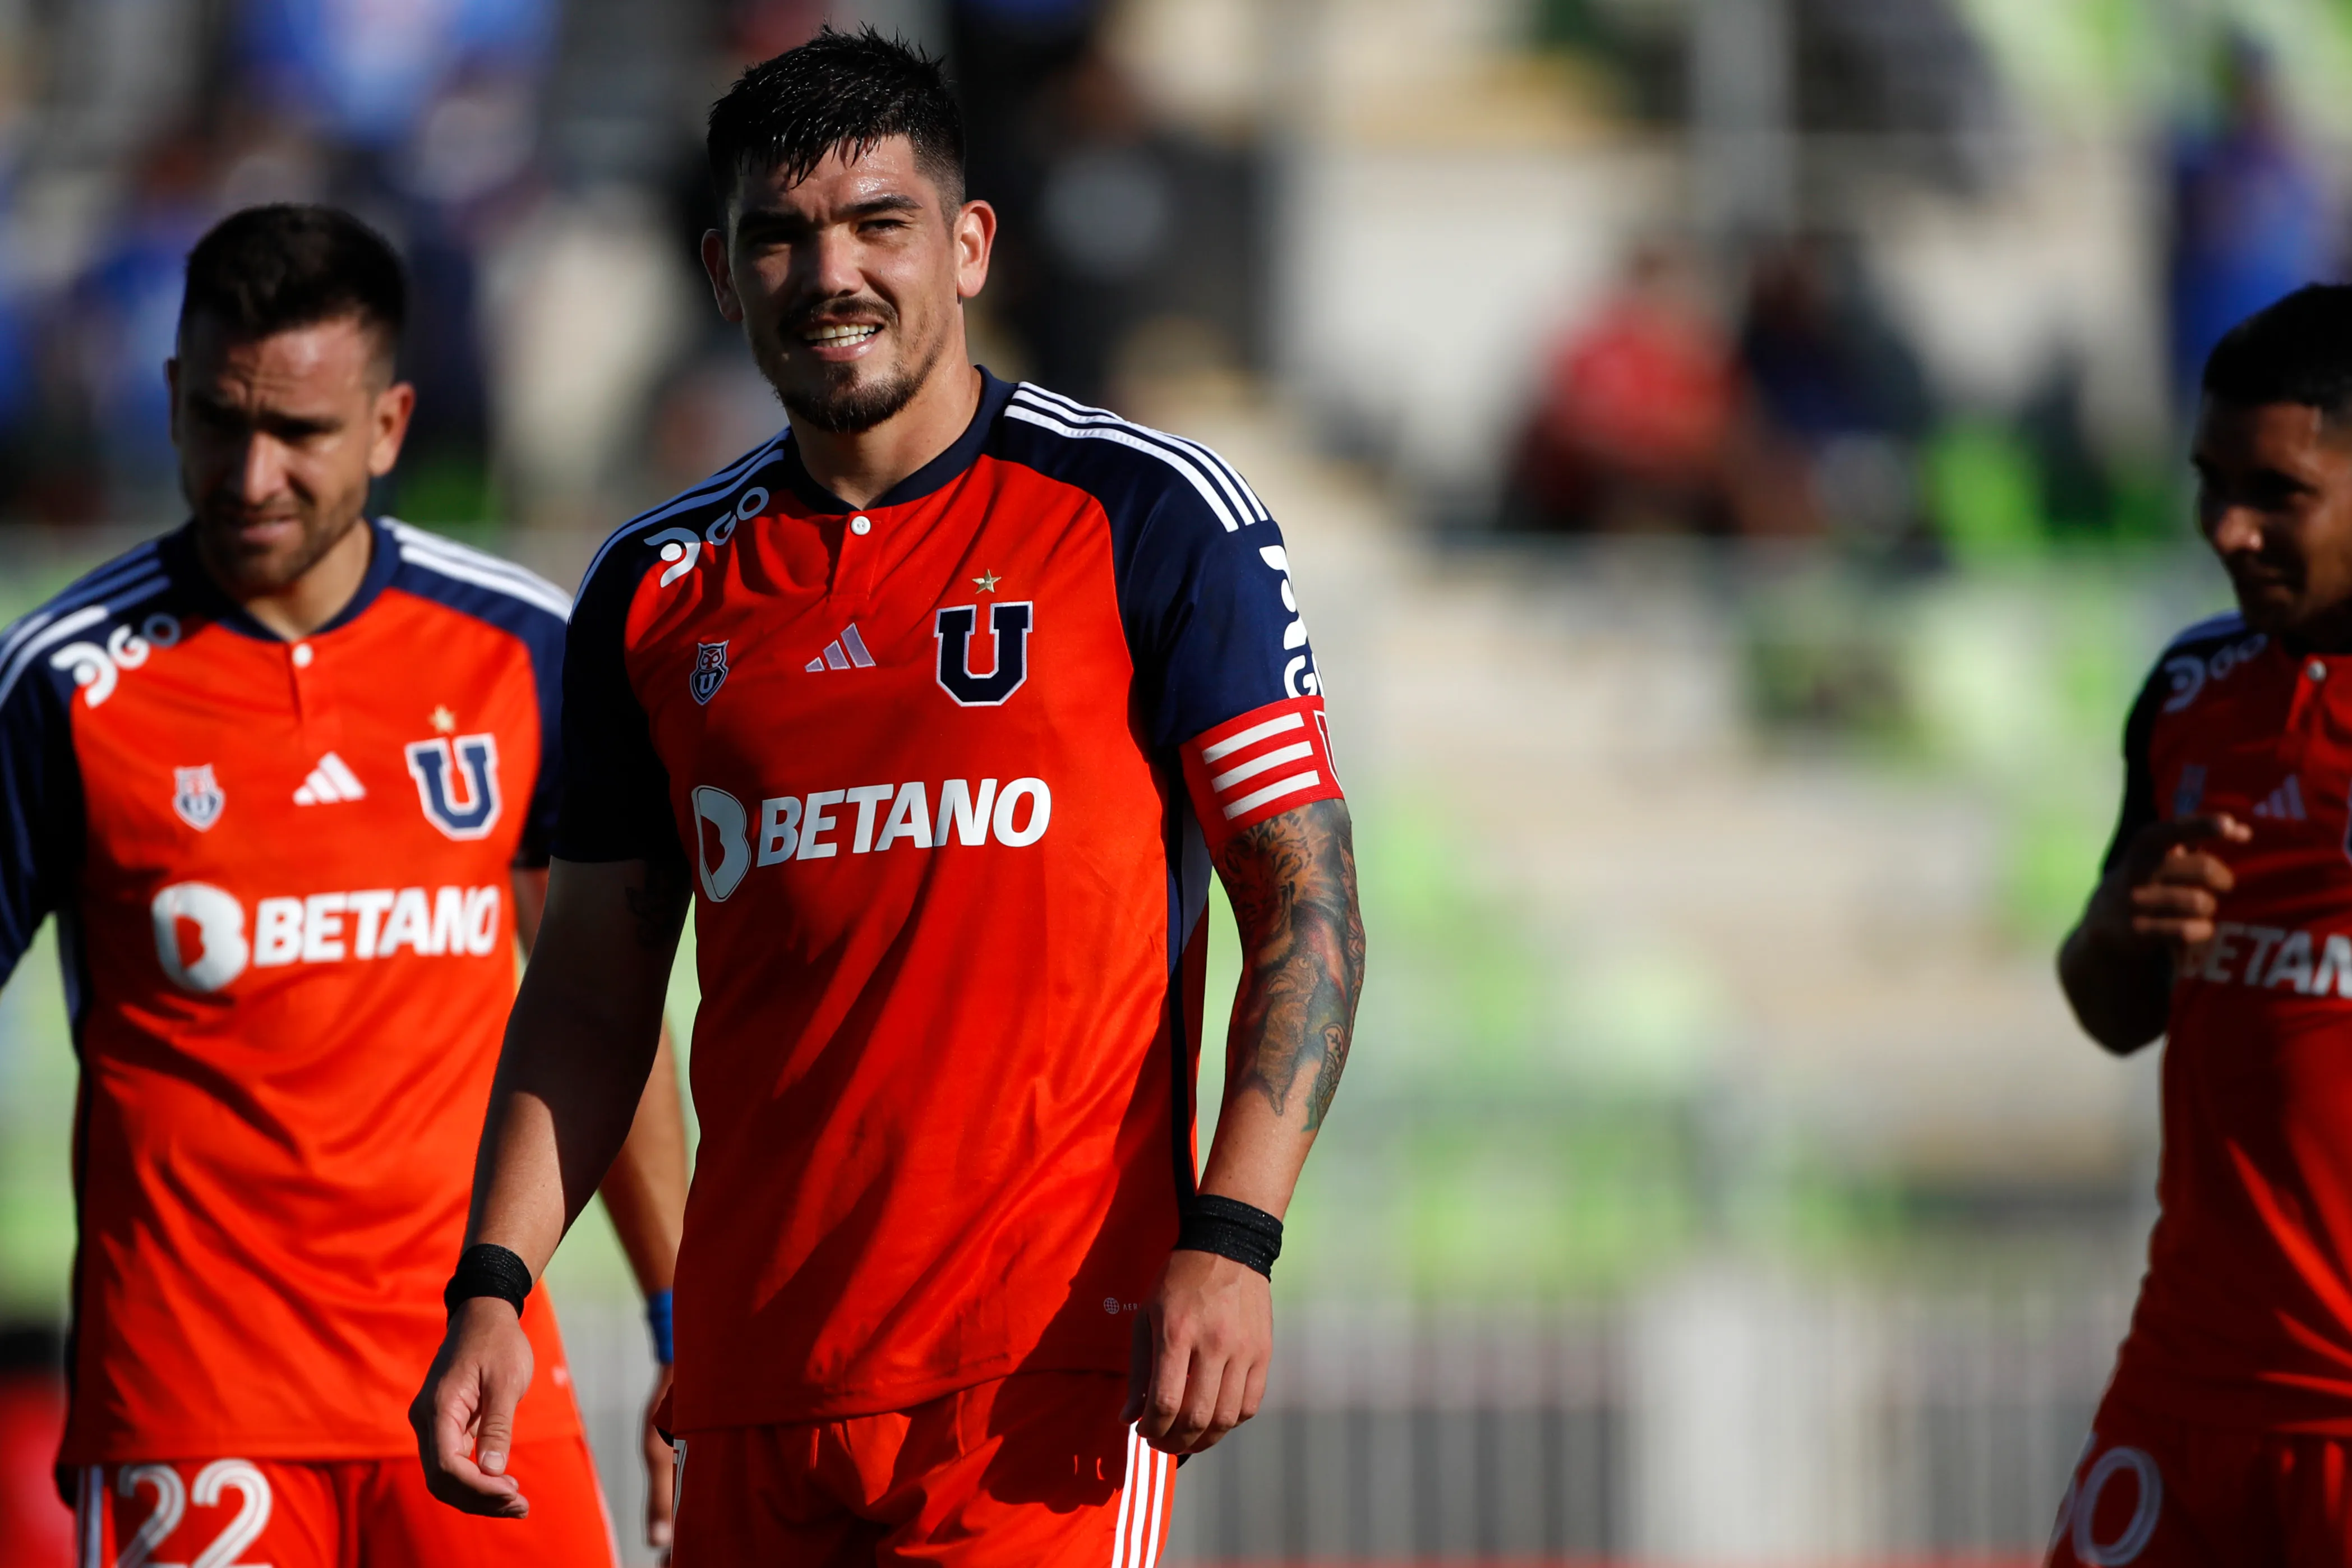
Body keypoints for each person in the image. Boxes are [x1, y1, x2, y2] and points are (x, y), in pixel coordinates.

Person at [413, 27, 1365, 1567]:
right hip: (753, 1392)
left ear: (968, 245)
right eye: (778, 237)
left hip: (1045, 1380)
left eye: (878, 224)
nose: (829, 274)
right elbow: (589, 993)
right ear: (721, 277)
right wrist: (494, 1288)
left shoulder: (1146, 514)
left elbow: (1306, 907)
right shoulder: (652, 589)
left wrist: (1235, 1236)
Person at [0, 204, 688, 1566]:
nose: (252, 473)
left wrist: (683, 1329)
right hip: (193, 1406)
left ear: (387, 425)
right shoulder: (64, 681)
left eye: (299, 432)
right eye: (219, 420)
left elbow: (604, 1010)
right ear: (171, 398)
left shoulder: (522, 652)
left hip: (475, 1374)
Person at [2055, 283, 2352, 1563]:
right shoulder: (2189, 691)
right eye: (2209, 483)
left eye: (2277, 493)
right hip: (2180, 1397)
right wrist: (2119, 929)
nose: (2228, 529)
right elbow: (2114, 1015)